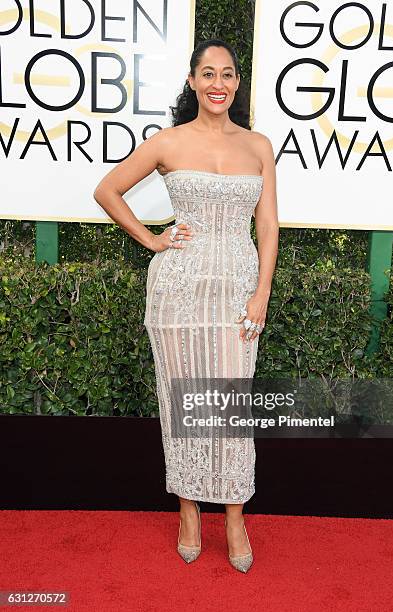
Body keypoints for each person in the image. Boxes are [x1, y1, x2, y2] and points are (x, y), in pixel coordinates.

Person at [93, 38, 279, 573]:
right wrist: (152, 240)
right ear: (193, 82)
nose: (217, 83)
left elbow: (266, 223)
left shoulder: (258, 145)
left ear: (237, 83)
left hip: (238, 292)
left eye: (227, 74)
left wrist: (262, 290)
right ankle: (190, 512)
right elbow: (108, 191)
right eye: (207, 74)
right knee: (183, 405)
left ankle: (235, 516)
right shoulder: (168, 142)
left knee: (229, 407)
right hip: (178, 291)